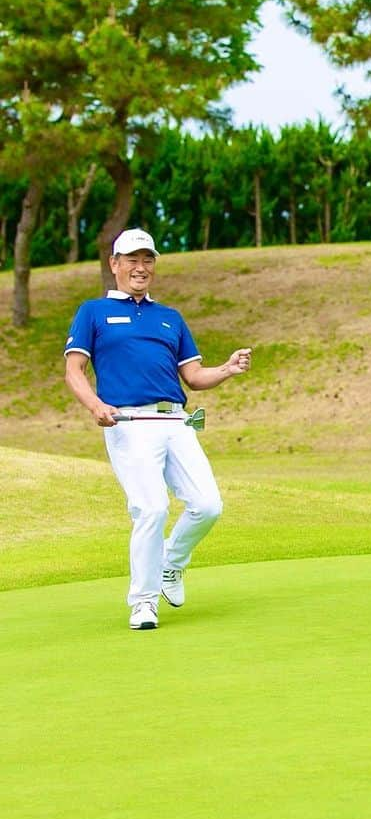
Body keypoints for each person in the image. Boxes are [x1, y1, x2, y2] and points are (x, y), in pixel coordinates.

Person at [63, 229, 252, 631]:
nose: (140, 267)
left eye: (147, 259)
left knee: (208, 505)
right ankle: (144, 602)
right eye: (131, 259)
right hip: (128, 424)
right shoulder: (93, 312)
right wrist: (96, 405)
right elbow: (74, 370)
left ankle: (171, 564)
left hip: (176, 422)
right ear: (114, 264)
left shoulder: (170, 317)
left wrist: (228, 369)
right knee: (151, 509)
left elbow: (195, 377)